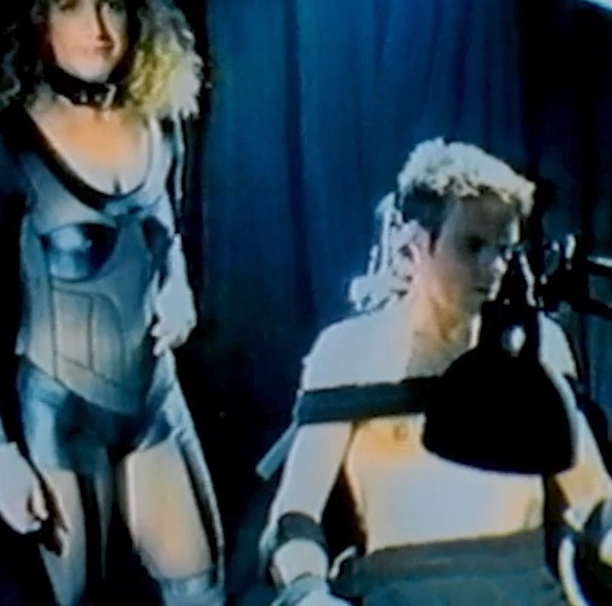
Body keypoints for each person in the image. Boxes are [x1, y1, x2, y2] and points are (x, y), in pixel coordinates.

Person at [0, 0, 225, 606]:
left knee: (203, 591)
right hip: (61, 414)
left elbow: (165, 231)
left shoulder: (160, 124)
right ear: (39, 20)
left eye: (111, 3)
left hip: (155, 401)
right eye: (72, 6)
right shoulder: (12, 144)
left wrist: (177, 287)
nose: (98, 29)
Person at [259, 138, 612, 605]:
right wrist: (308, 592)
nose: (493, 267)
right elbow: (296, 515)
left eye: (504, 249)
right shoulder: (349, 353)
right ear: (416, 244)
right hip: (399, 592)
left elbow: (592, 496)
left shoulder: (535, 345)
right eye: (472, 246)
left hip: (525, 591)